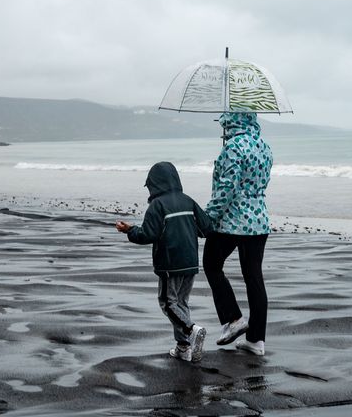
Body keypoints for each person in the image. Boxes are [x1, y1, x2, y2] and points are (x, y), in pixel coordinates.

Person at [115, 161, 214, 362]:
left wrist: (129, 230)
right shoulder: (188, 201)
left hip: (170, 263)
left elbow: (147, 235)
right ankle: (183, 347)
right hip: (191, 262)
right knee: (181, 302)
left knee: (168, 304)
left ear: (155, 184)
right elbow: (206, 229)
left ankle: (191, 330)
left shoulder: (157, 206)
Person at [203, 112, 273, 356]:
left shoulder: (233, 147)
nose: (223, 127)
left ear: (232, 122)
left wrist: (207, 216)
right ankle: (256, 340)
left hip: (233, 221)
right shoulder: (264, 147)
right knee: (254, 277)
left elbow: (227, 188)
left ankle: (233, 319)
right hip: (259, 221)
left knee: (211, 264)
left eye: (225, 123)